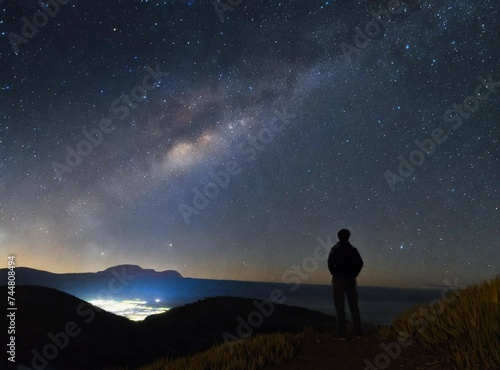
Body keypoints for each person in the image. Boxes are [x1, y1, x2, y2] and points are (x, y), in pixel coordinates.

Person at [327, 229, 364, 338]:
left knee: (339, 306)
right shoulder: (352, 249)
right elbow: (360, 263)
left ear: (339, 237)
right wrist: (353, 275)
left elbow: (330, 263)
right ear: (348, 236)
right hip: (350, 280)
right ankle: (357, 330)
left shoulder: (335, 249)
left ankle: (341, 331)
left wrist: (336, 275)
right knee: (353, 305)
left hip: (338, 280)